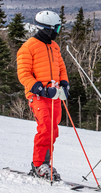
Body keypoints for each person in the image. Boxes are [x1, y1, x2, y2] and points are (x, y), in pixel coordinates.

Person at [17, 11, 69, 181]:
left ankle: (46, 163)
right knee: (45, 127)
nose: (58, 32)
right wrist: (40, 89)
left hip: (54, 95)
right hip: (38, 95)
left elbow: (61, 67)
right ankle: (39, 165)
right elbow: (23, 74)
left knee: (53, 130)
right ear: (48, 29)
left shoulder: (54, 46)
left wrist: (64, 83)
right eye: (57, 28)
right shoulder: (28, 47)